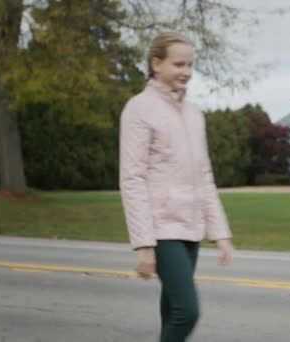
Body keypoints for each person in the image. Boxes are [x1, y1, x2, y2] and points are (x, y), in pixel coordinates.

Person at [119, 32, 234, 342]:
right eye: (178, 64)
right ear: (156, 64)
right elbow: (132, 179)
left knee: (172, 311)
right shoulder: (139, 108)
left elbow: (205, 175)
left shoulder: (195, 114)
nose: (186, 71)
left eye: (190, 65)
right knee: (187, 311)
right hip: (161, 228)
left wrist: (220, 232)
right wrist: (144, 244)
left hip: (191, 227)